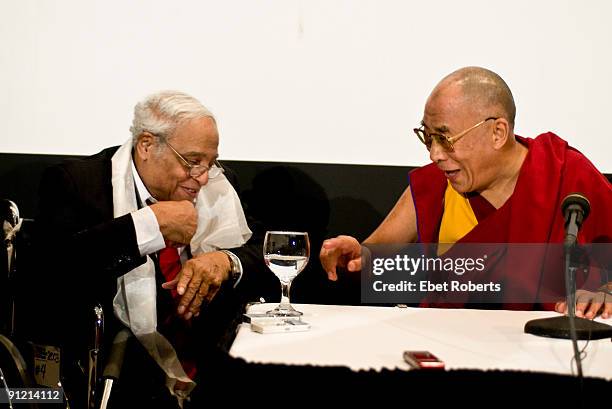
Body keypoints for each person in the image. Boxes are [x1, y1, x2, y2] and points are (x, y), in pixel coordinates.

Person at [34, 90, 272, 406]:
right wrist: (149, 226)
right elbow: (49, 272)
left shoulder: (220, 183)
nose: (202, 177)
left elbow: (262, 251)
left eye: (210, 162)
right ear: (147, 145)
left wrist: (225, 260)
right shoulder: (77, 183)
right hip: (115, 369)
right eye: (192, 161)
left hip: (211, 363)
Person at [320, 67, 612, 318]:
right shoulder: (436, 185)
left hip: (552, 348)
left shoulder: (565, 173)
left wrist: (606, 293)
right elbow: (374, 259)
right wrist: (356, 255)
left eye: (445, 139)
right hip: (450, 347)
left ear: (498, 132)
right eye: (428, 138)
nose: (435, 154)